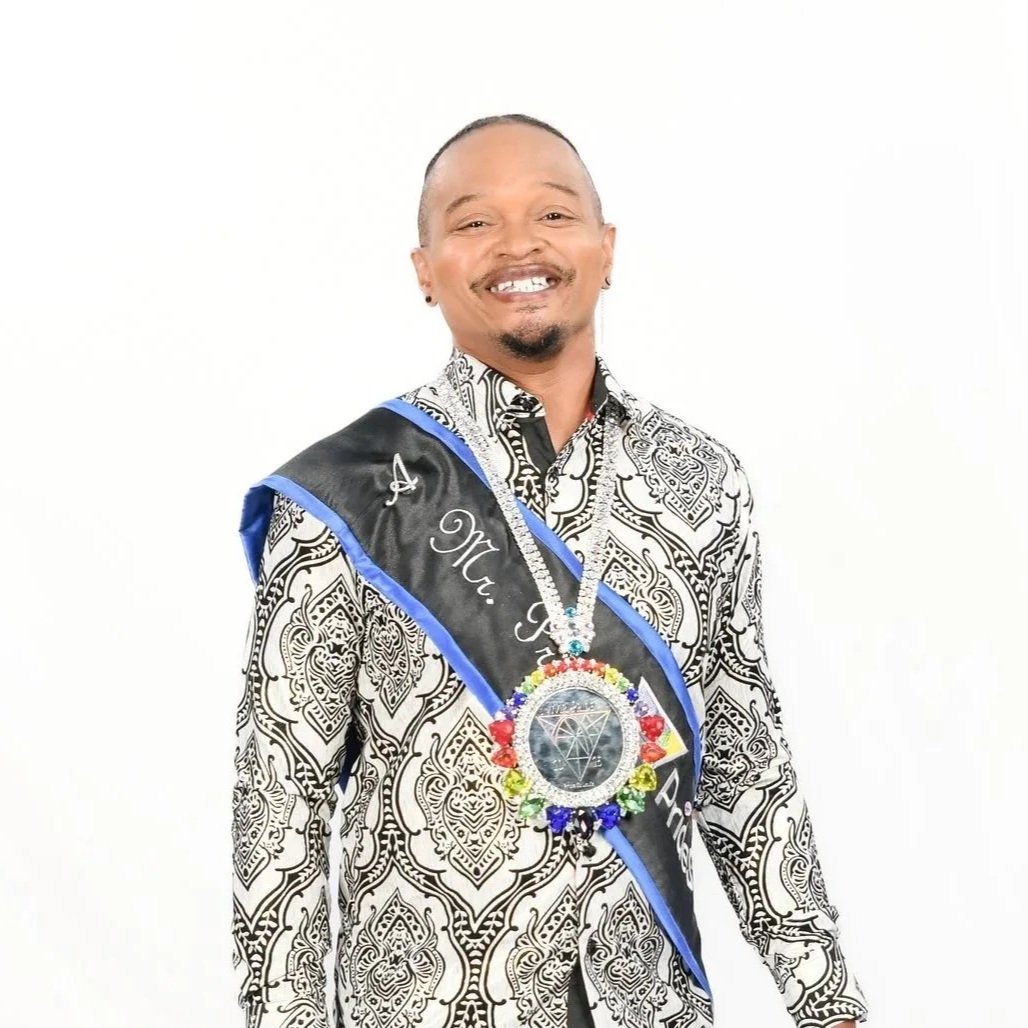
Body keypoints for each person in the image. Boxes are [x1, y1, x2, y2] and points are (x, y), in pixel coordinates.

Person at [231, 113, 869, 1028]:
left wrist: (824, 999)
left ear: (607, 250)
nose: (518, 245)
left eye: (554, 215)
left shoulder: (701, 484)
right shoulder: (348, 492)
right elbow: (278, 805)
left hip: (648, 1006)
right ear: (425, 268)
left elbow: (741, 755)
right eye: (474, 221)